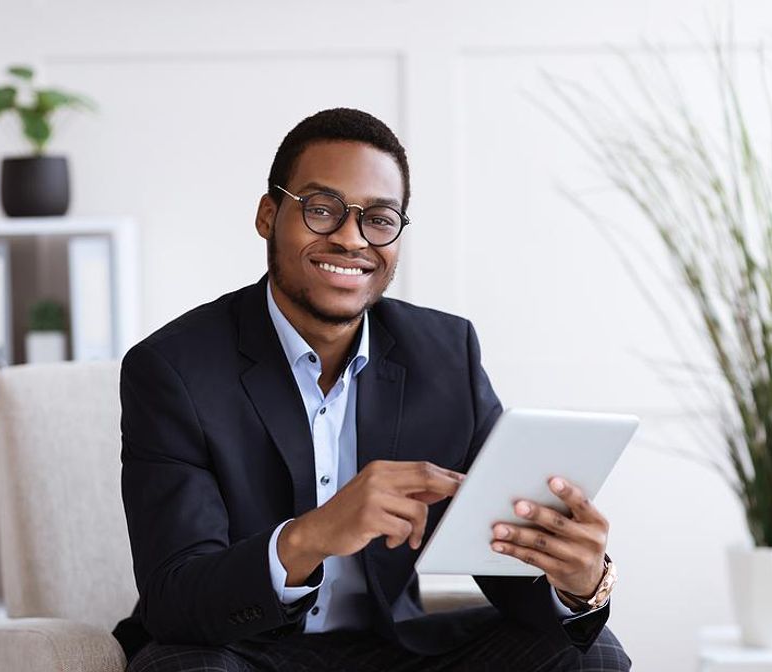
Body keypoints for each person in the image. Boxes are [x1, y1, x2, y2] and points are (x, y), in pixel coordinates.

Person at [111, 108, 631, 671]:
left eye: (379, 218)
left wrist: (578, 582)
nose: (351, 238)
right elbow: (176, 596)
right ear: (268, 215)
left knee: (590, 657)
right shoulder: (172, 369)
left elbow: (503, 561)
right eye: (322, 210)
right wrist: (312, 536)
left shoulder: (445, 353)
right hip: (247, 648)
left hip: (399, 647)